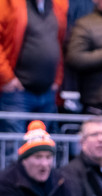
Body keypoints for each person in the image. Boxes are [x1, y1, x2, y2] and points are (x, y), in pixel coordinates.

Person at [0, 0, 67, 136]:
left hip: (47, 92)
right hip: (16, 93)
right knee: (13, 147)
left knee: (42, 148)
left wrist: (57, 79)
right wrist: (6, 78)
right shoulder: (7, 5)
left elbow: (59, 43)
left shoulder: (57, 6)